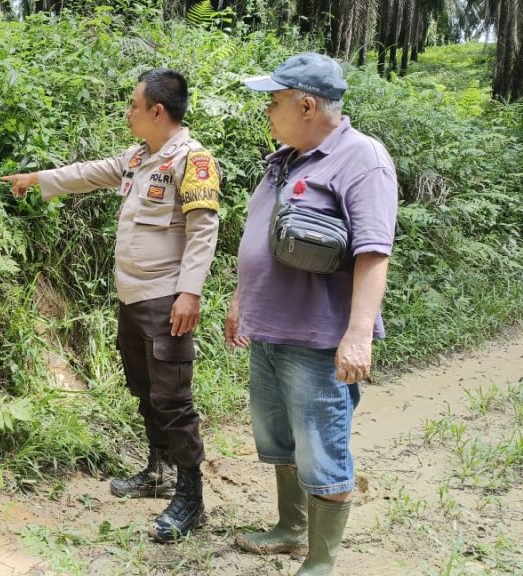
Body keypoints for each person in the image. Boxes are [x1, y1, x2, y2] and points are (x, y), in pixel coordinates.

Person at [2, 68, 221, 543]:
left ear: (157, 111)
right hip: (133, 297)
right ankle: (158, 470)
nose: (128, 112)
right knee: (145, 390)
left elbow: (203, 231)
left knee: (173, 399)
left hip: (167, 299)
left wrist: (191, 292)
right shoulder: (138, 157)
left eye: (133, 105)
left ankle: (191, 496)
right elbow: (87, 173)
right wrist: (37, 178)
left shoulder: (193, 160)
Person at [226, 53, 398, 575]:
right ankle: (291, 530)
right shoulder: (285, 158)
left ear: (306, 103)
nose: (268, 112)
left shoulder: (361, 158)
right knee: (278, 440)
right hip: (270, 331)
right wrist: (240, 301)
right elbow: (257, 235)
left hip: (318, 339)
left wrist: (358, 336)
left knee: (322, 450)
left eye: (274, 102)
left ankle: (320, 563)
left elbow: (373, 252)